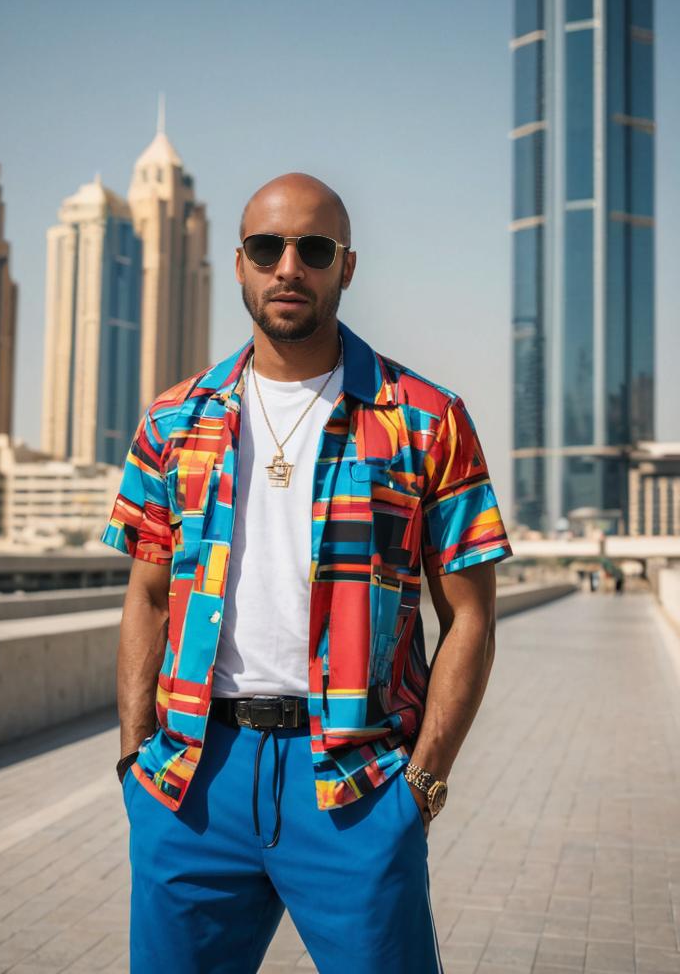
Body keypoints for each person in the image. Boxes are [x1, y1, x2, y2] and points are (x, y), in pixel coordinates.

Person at [101, 172, 513, 974]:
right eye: (267, 247)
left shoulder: (426, 419)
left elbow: (472, 616)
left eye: (313, 249)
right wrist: (133, 760)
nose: (289, 266)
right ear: (241, 265)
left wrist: (421, 785)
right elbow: (148, 598)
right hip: (191, 779)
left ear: (346, 267)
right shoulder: (173, 419)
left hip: (357, 785)